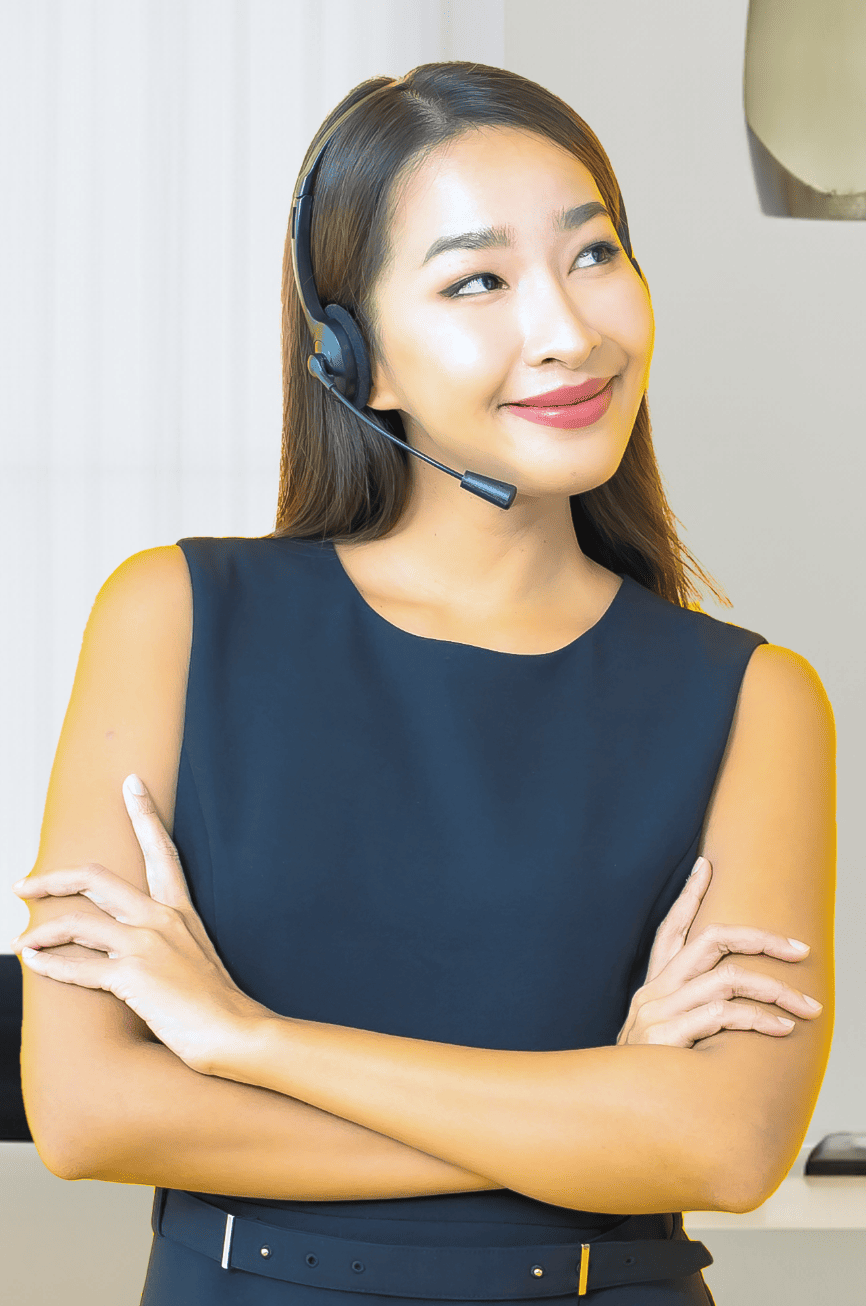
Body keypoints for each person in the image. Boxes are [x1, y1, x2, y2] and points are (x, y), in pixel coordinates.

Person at [13, 63, 834, 1306]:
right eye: (476, 281)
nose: (567, 329)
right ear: (357, 359)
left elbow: (723, 1145)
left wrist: (252, 1045)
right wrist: (592, 1115)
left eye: (593, 255)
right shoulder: (174, 617)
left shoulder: (756, 699)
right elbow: (85, 1111)